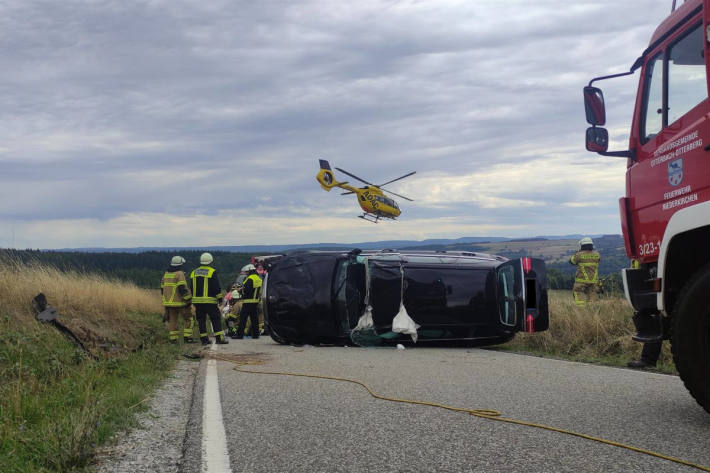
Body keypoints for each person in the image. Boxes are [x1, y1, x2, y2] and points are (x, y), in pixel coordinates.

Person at [190, 252, 228, 345]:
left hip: (197, 302)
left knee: (201, 321)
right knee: (215, 319)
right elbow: (216, 287)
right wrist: (220, 300)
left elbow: (191, 287)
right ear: (210, 261)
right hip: (210, 302)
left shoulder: (193, 272)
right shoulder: (211, 271)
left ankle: (204, 340)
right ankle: (219, 339)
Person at [160, 256, 196, 344]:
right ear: (180, 264)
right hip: (180, 303)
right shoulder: (180, 273)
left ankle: (173, 339)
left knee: (173, 320)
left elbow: (162, 288)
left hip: (169, 303)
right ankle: (188, 338)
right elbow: (182, 288)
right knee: (189, 319)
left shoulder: (166, 273)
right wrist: (188, 300)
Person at [570, 237, 601, 306]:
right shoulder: (597, 255)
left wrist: (577, 252)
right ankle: (591, 311)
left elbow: (571, 261)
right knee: (593, 298)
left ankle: (581, 310)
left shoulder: (579, 255)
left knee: (578, 293)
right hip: (594, 281)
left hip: (581, 281)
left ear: (582, 245)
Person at [235, 264, 262, 339]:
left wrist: (240, 290)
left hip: (247, 301)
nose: (246, 273)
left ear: (250, 271)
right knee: (254, 319)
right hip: (255, 301)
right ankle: (256, 334)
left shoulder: (250, 278)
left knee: (243, 318)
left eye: (247, 272)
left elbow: (247, 290)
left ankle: (239, 335)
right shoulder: (258, 278)